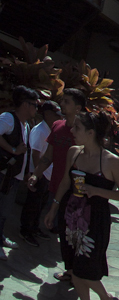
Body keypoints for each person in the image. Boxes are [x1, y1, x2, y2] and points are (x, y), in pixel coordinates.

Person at [44, 109, 119, 300]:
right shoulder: (74, 152)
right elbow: (66, 181)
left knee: (87, 270)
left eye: (77, 128)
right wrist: (54, 208)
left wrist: (98, 191)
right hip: (71, 217)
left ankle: (106, 299)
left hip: (95, 222)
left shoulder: (111, 162)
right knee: (74, 268)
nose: (72, 130)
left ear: (91, 133)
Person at [29, 87, 87, 280]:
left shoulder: (86, 132)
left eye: (67, 102)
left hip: (77, 193)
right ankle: (71, 270)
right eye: (63, 101)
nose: (62, 105)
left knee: (75, 233)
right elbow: (48, 157)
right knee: (62, 230)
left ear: (78, 108)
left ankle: (75, 271)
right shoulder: (57, 126)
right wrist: (36, 175)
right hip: (57, 188)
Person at [0, 85, 39, 259]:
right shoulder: (8, 118)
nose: (36, 109)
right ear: (24, 104)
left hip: (14, 176)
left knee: (5, 211)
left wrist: (26, 173)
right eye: (34, 104)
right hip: (3, 174)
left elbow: (26, 151)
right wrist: (13, 149)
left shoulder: (26, 125)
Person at [20, 99, 61, 245]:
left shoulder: (50, 129)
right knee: (32, 204)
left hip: (46, 175)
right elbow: (35, 154)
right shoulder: (40, 130)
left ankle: (34, 228)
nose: (59, 117)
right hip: (39, 174)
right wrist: (37, 175)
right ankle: (26, 230)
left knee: (40, 204)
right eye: (56, 114)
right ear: (48, 114)